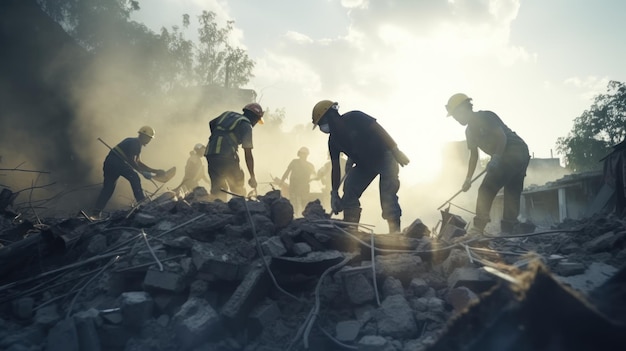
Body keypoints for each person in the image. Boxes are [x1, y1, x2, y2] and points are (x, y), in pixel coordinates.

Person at [311, 100, 410, 233]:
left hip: (384, 156)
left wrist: (395, 150)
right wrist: (334, 193)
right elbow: (335, 168)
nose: (322, 128)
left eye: (321, 123)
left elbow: (379, 130)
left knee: (388, 195)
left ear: (331, 116)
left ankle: (395, 233)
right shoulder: (333, 141)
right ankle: (351, 231)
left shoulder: (355, 118)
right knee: (350, 188)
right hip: (364, 164)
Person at [445, 93, 530, 235]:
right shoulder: (469, 131)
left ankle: (478, 228)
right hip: (515, 155)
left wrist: (496, 158)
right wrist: (468, 179)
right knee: (512, 191)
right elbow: (473, 156)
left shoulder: (485, 117)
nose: (456, 119)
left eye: (456, 115)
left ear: (464, 108)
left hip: (515, 150)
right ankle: (508, 230)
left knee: (486, 188)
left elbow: (501, 137)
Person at [93, 126, 165, 215]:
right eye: (148, 138)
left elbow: (138, 162)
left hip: (109, 162)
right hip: (116, 162)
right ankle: (142, 203)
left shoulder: (134, 142)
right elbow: (132, 161)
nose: (149, 140)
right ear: (142, 135)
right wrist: (142, 172)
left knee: (108, 189)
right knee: (134, 177)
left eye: (150, 138)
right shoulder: (135, 143)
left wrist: (155, 171)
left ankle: (96, 212)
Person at [205, 102, 264, 201]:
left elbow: (211, 123)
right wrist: (252, 176)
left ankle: (218, 208)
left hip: (211, 152)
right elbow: (248, 154)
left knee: (218, 185)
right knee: (237, 182)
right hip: (227, 154)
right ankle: (240, 205)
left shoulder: (228, 114)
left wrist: (218, 136)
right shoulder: (246, 125)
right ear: (255, 118)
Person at [280, 146, 316, 215]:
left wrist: (312, 179)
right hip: (294, 186)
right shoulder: (294, 162)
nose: (303, 155)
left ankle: (304, 216)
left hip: (304, 187)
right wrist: (282, 180)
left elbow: (315, 176)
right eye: (302, 154)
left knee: (304, 203)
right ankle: (295, 215)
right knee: (294, 203)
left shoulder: (310, 165)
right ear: (299, 154)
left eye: (305, 154)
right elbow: (287, 171)